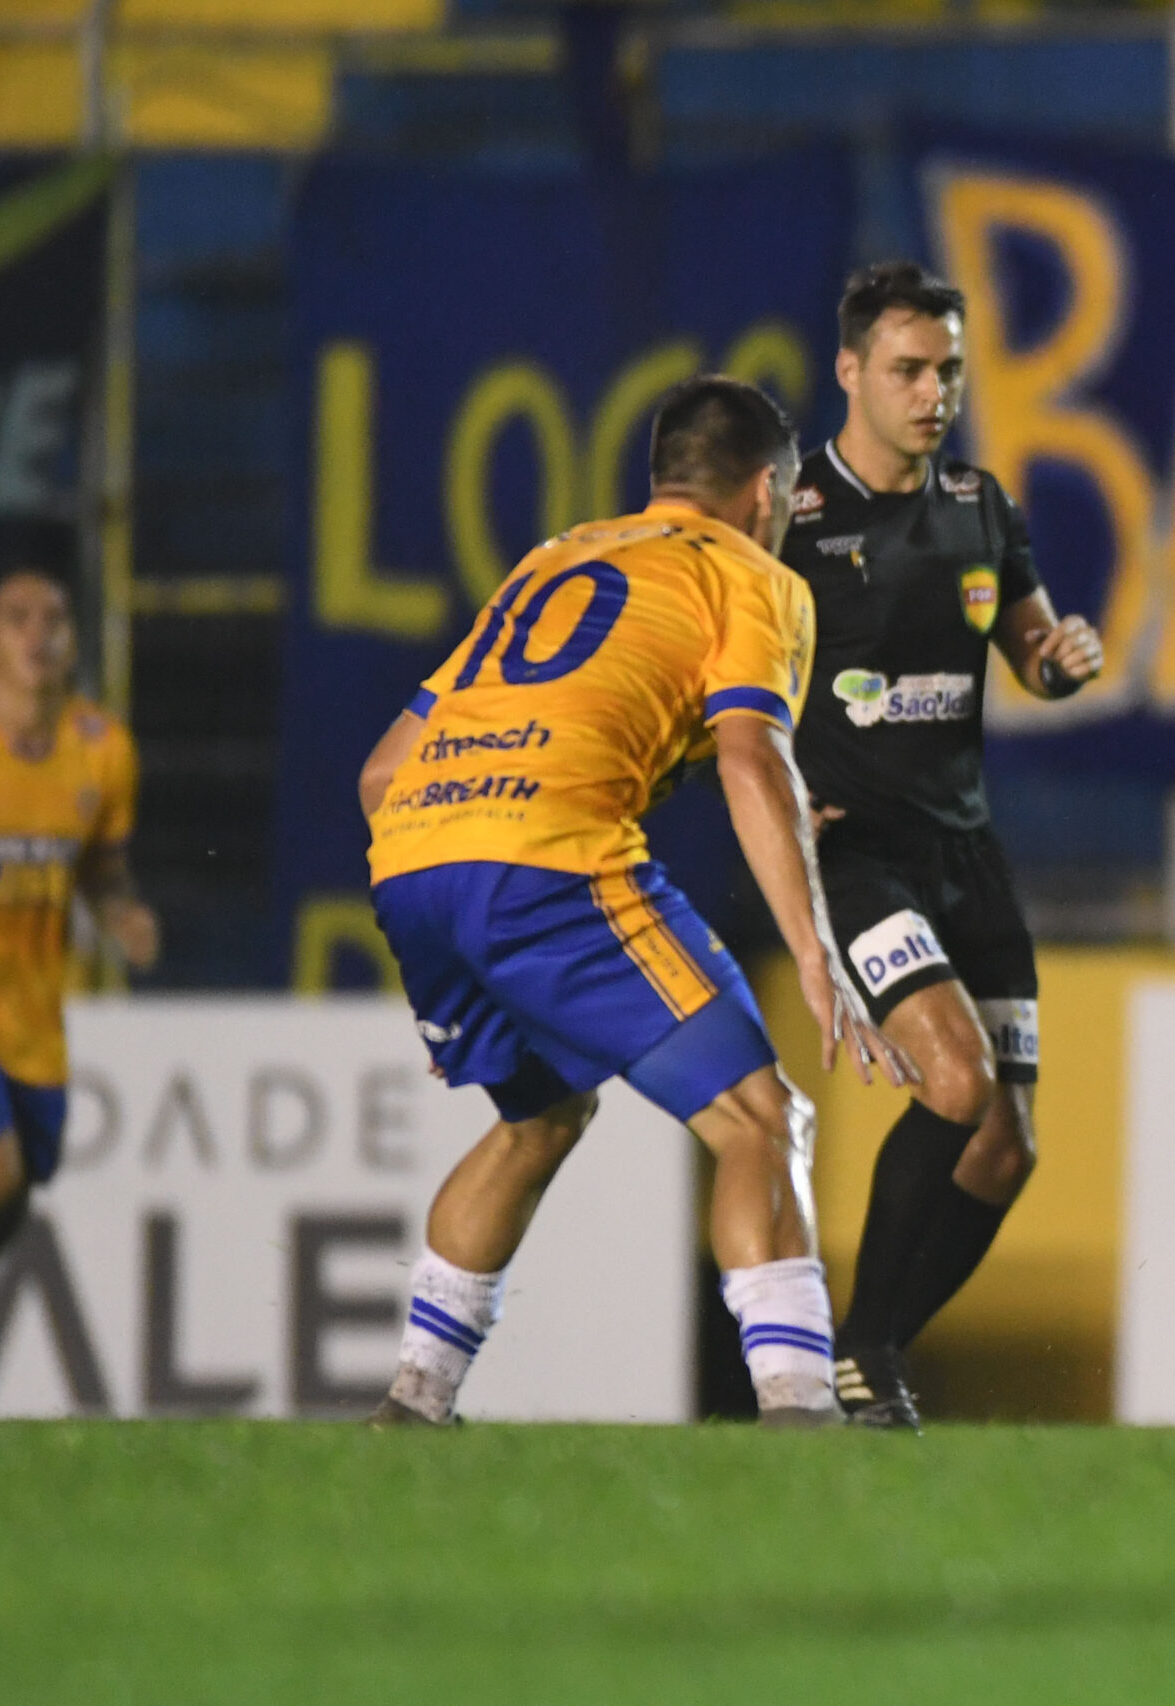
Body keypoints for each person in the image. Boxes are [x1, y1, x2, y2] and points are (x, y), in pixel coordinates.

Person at [358, 374, 906, 1428]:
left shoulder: (555, 557)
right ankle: (800, 1411)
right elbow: (752, 757)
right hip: (549, 855)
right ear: (765, 493)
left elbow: (382, 772)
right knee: (759, 1117)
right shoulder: (750, 576)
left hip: (417, 860)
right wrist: (814, 948)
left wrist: (449, 935)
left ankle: (413, 1401)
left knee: (539, 1115)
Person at [780, 262, 1104, 1429]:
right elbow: (722, 689)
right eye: (909, 370)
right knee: (957, 1084)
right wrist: (778, 796)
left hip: (968, 856)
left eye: (950, 371)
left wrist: (1062, 660)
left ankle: (867, 1353)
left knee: (1008, 1147)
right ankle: (865, 1349)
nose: (934, 394)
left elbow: (1030, 648)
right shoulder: (789, 522)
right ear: (850, 370)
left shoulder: (978, 501)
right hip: (857, 855)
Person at [0, 567, 156, 1415]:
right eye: (15, 617)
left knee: (8, 1205)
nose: (37, 632)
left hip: (34, 1018)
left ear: (72, 641)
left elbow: (101, 864)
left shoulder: (102, 748)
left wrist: (121, 912)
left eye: (53, 616)